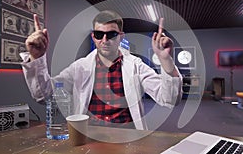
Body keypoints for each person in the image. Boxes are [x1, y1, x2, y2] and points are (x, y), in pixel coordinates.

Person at [20, 10, 182, 130]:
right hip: (89, 136)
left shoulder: (136, 65)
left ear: (121, 37)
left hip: (127, 135)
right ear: (93, 37)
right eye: (99, 34)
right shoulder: (79, 67)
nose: (104, 40)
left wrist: (165, 59)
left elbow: (169, 99)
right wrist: (37, 58)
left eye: (111, 34)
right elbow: (44, 95)